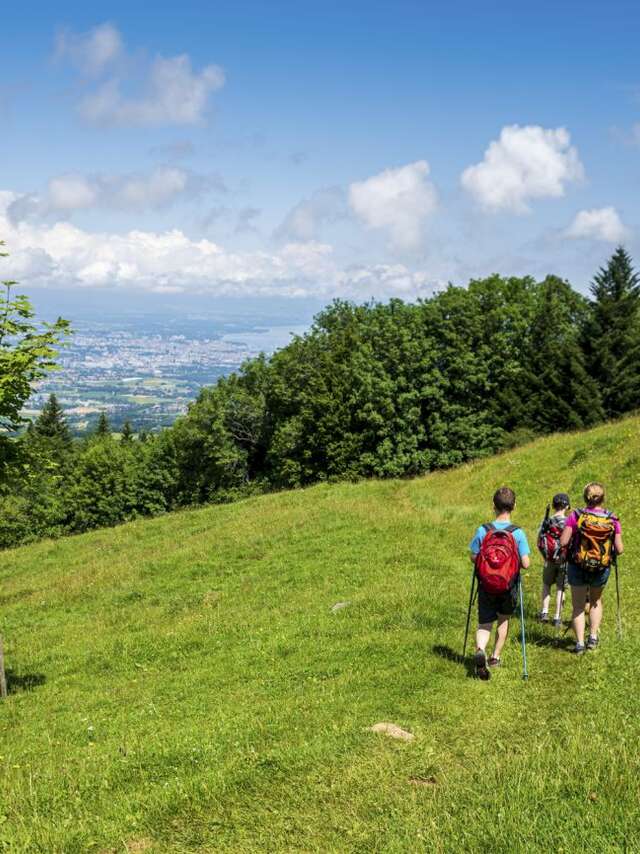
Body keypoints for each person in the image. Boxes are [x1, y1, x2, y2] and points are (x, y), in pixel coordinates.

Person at [469, 486, 530, 679]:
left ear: (493, 506)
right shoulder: (517, 533)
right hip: (508, 585)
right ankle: (495, 657)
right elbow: (526, 564)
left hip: (486, 584)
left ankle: (480, 649)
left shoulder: (483, 530)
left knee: (485, 622)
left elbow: (473, 556)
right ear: (514, 506)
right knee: (503, 619)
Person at [559, 482, 624, 654]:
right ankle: (593, 637)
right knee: (595, 602)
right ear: (603, 498)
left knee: (579, 606)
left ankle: (579, 643)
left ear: (585, 497)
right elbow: (620, 549)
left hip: (578, 565)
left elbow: (564, 542)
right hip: (601, 568)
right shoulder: (612, 518)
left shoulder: (576, 515)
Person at [537, 493, 571, 628]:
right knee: (560, 588)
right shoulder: (569, 522)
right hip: (564, 560)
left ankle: (544, 613)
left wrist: (545, 555)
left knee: (546, 585)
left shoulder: (547, 521)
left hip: (549, 559)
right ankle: (557, 617)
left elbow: (539, 540)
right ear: (567, 506)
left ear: (553, 506)